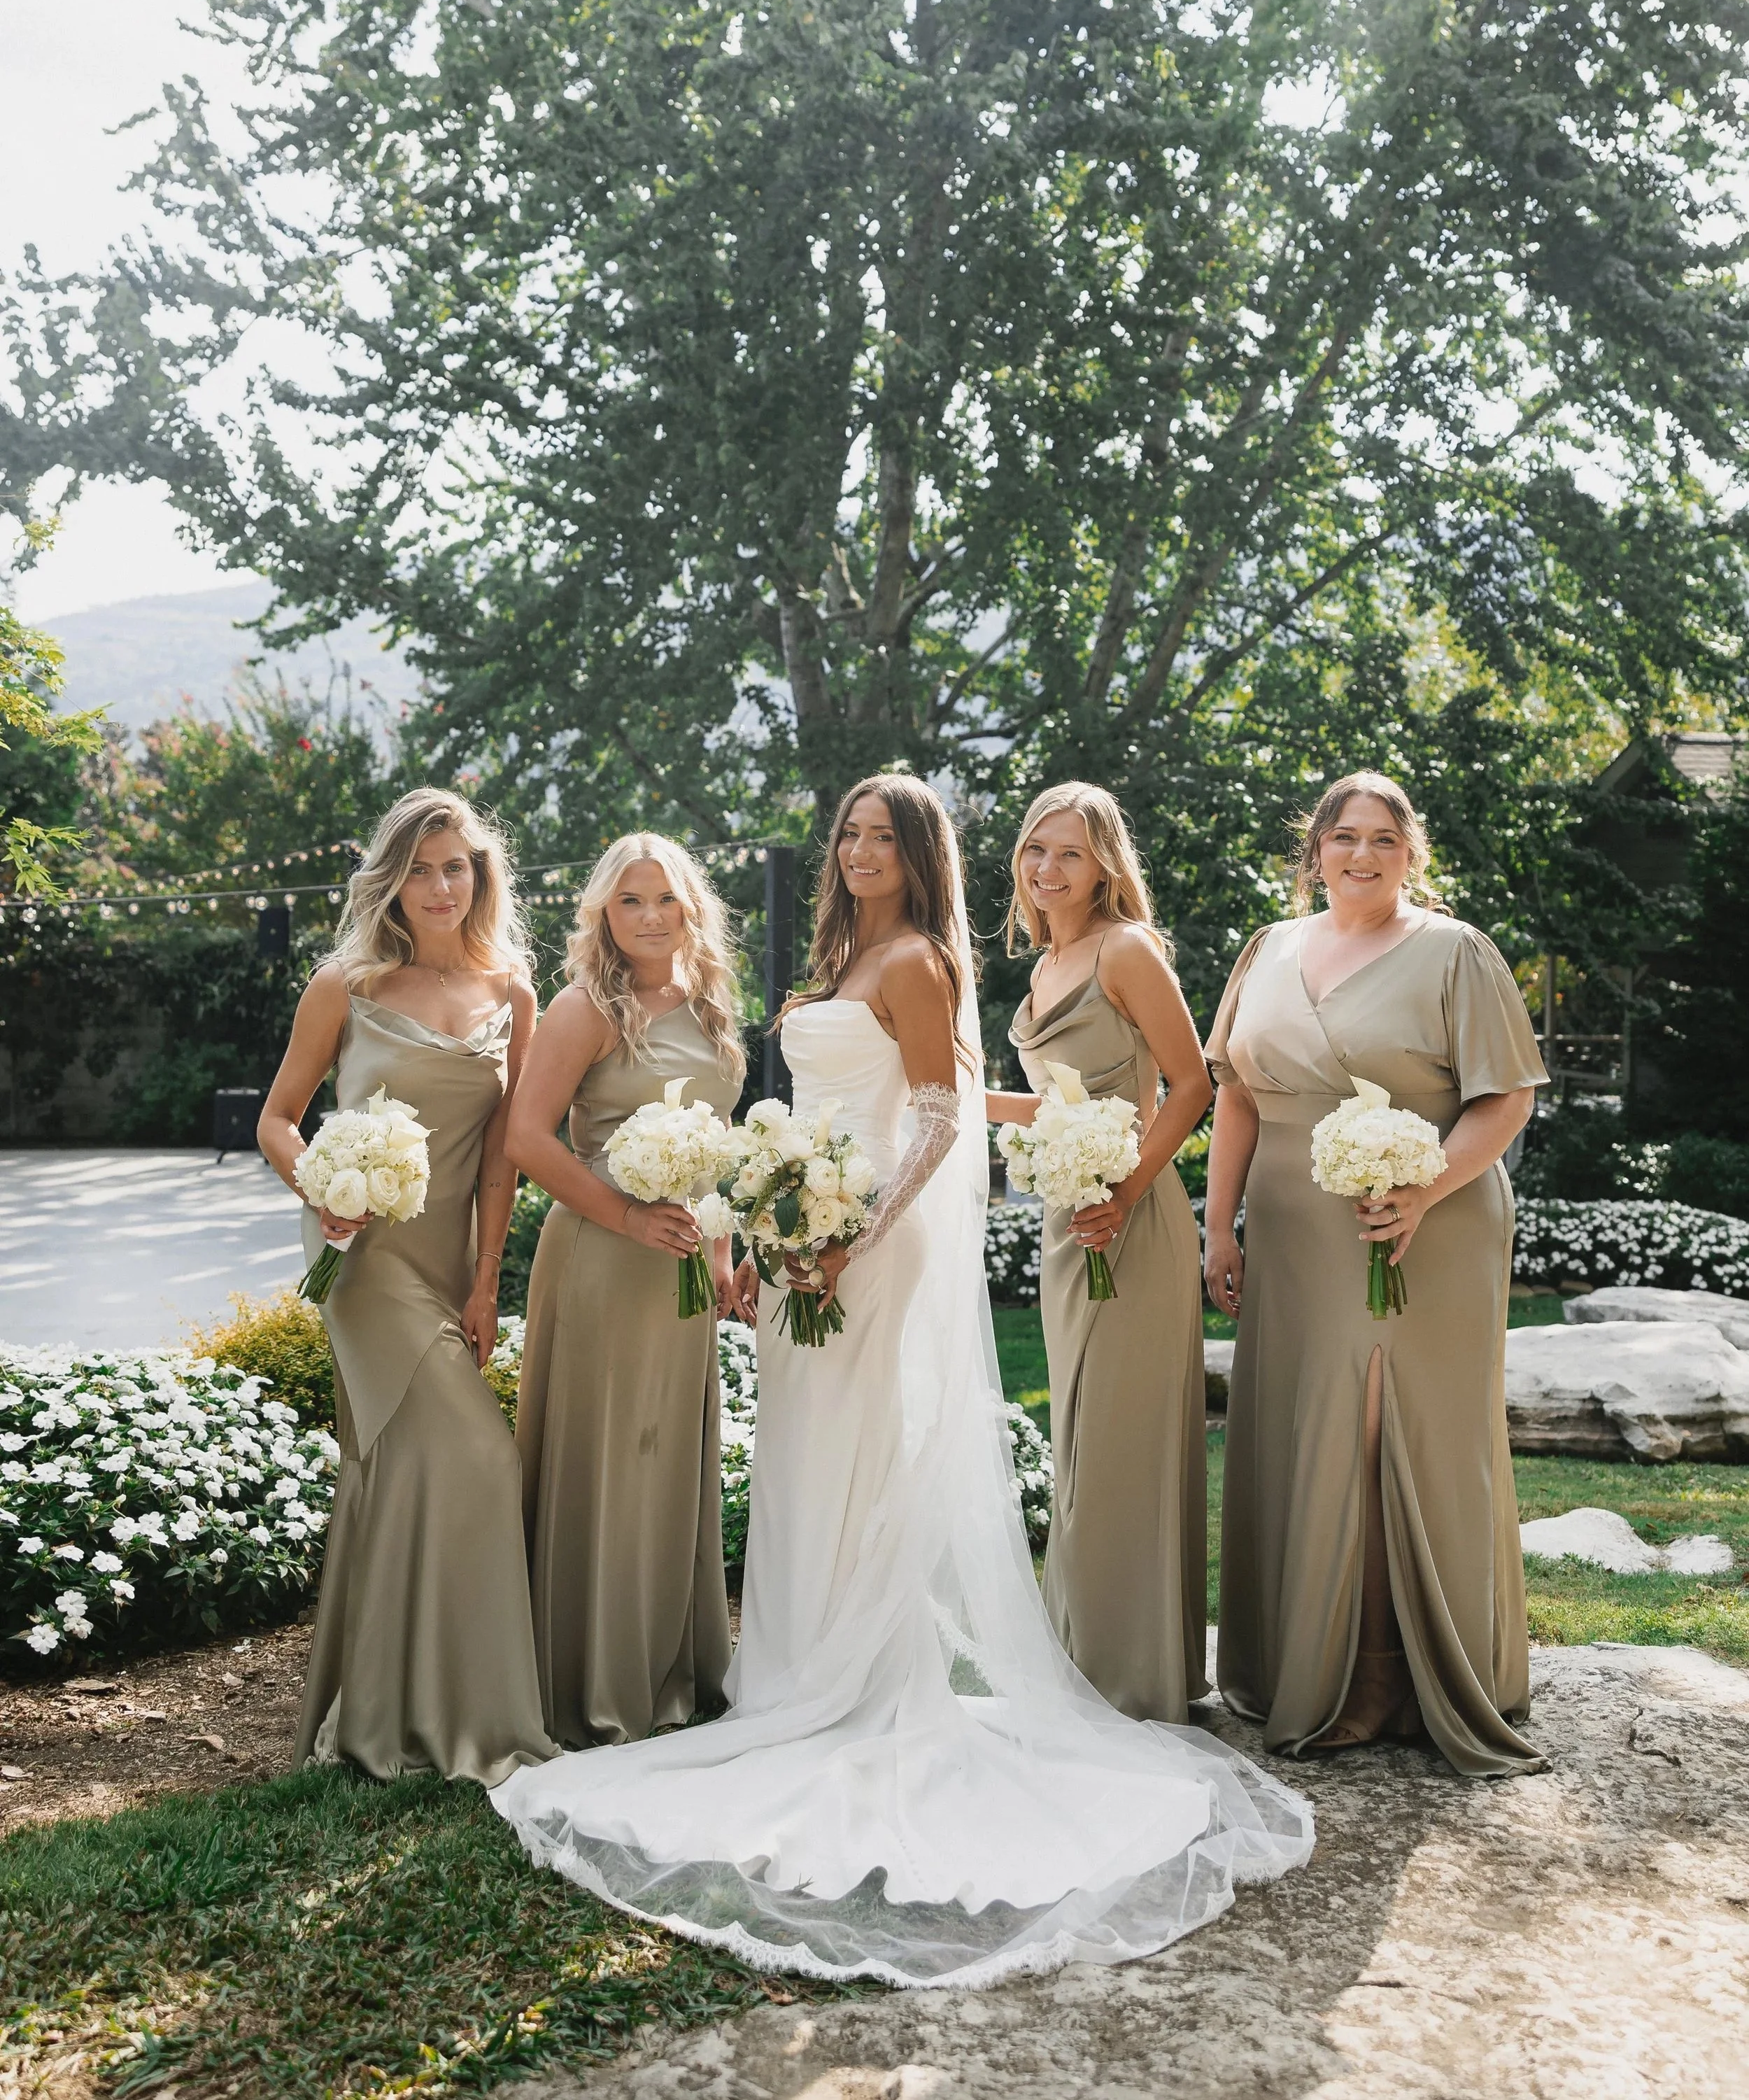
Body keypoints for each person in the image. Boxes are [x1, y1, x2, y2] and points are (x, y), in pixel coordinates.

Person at [490, 774, 1311, 1989]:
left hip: (873, 1231)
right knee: (806, 1450)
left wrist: (849, 1235)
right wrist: (777, 1212)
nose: (862, 850)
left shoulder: (921, 960)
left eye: (885, 836)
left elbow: (936, 1120)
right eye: (851, 834)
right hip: (803, 1225)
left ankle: (852, 1684)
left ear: (920, 854)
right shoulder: (841, 954)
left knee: (861, 1448)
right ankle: (791, 1668)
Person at [1203, 770, 1548, 1776]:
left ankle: (1383, 1681)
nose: (1362, 855)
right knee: (1305, 1425)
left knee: (1384, 1425)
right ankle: (1300, 1661)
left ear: (1413, 854)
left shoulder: (1455, 953)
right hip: (1292, 1240)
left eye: (1384, 840)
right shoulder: (1267, 950)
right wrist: (1217, 1226)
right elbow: (1237, 1099)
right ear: (1313, 851)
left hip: (1418, 1228)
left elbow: (1505, 1101)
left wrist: (1424, 1190)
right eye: (1344, 837)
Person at [258, 787, 555, 1785]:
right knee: (476, 1456)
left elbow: (504, 1164)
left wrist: (485, 1290)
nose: (439, 886)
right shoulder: (346, 983)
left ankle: (392, 1713)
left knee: (410, 1470)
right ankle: (450, 1719)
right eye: (421, 868)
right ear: (393, 878)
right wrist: (320, 1188)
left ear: (482, 878)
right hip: (363, 1259)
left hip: (446, 1268)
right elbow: (279, 1119)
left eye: (456, 866)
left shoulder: (513, 995)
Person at [506, 835, 744, 1747]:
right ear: (604, 913)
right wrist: (625, 1217)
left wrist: (718, 1255)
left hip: (683, 1263)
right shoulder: (584, 1009)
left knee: (665, 1457)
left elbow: (713, 1143)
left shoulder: (712, 1006)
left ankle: (669, 1670)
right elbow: (526, 1140)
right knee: (607, 1460)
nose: (649, 917)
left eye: (666, 901)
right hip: (605, 1257)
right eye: (630, 901)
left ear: (693, 910)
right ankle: (592, 1685)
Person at [991, 782, 1212, 1721]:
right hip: (1068, 1218)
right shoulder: (1044, 963)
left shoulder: (1126, 951)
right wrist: (947, 1100)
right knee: (1083, 1440)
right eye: (1037, 851)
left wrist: (1122, 1195)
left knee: (1123, 1439)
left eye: (1070, 854)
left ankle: (1134, 1676)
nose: (1048, 869)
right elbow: (1055, 1107)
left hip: (1133, 1216)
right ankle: (1082, 1660)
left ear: (1106, 865)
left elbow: (1194, 1085)